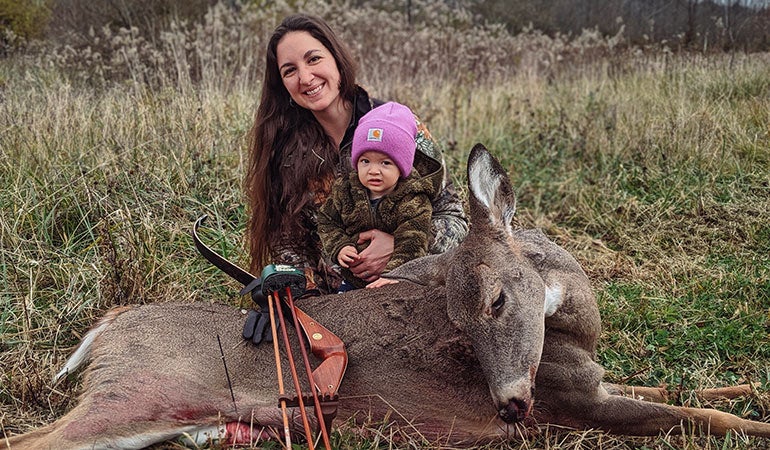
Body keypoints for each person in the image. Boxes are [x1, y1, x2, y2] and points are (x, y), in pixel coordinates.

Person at [244, 13, 468, 296]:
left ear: (337, 59)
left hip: (414, 288)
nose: (305, 77)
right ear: (283, 86)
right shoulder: (284, 153)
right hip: (338, 303)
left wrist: (400, 247)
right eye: (289, 70)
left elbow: (454, 219)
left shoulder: (400, 126)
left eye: (314, 59)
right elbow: (289, 249)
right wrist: (302, 295)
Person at [317, 101, 433, 291]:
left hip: (394, 279)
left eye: (385, 163)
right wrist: (341, 247)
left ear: (402, 166)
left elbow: (414, 242)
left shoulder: (413, 198)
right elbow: (327, 221)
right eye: (365, 161)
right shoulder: (345, 190)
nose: (373, 171)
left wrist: (394, 275)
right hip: (352, 279)